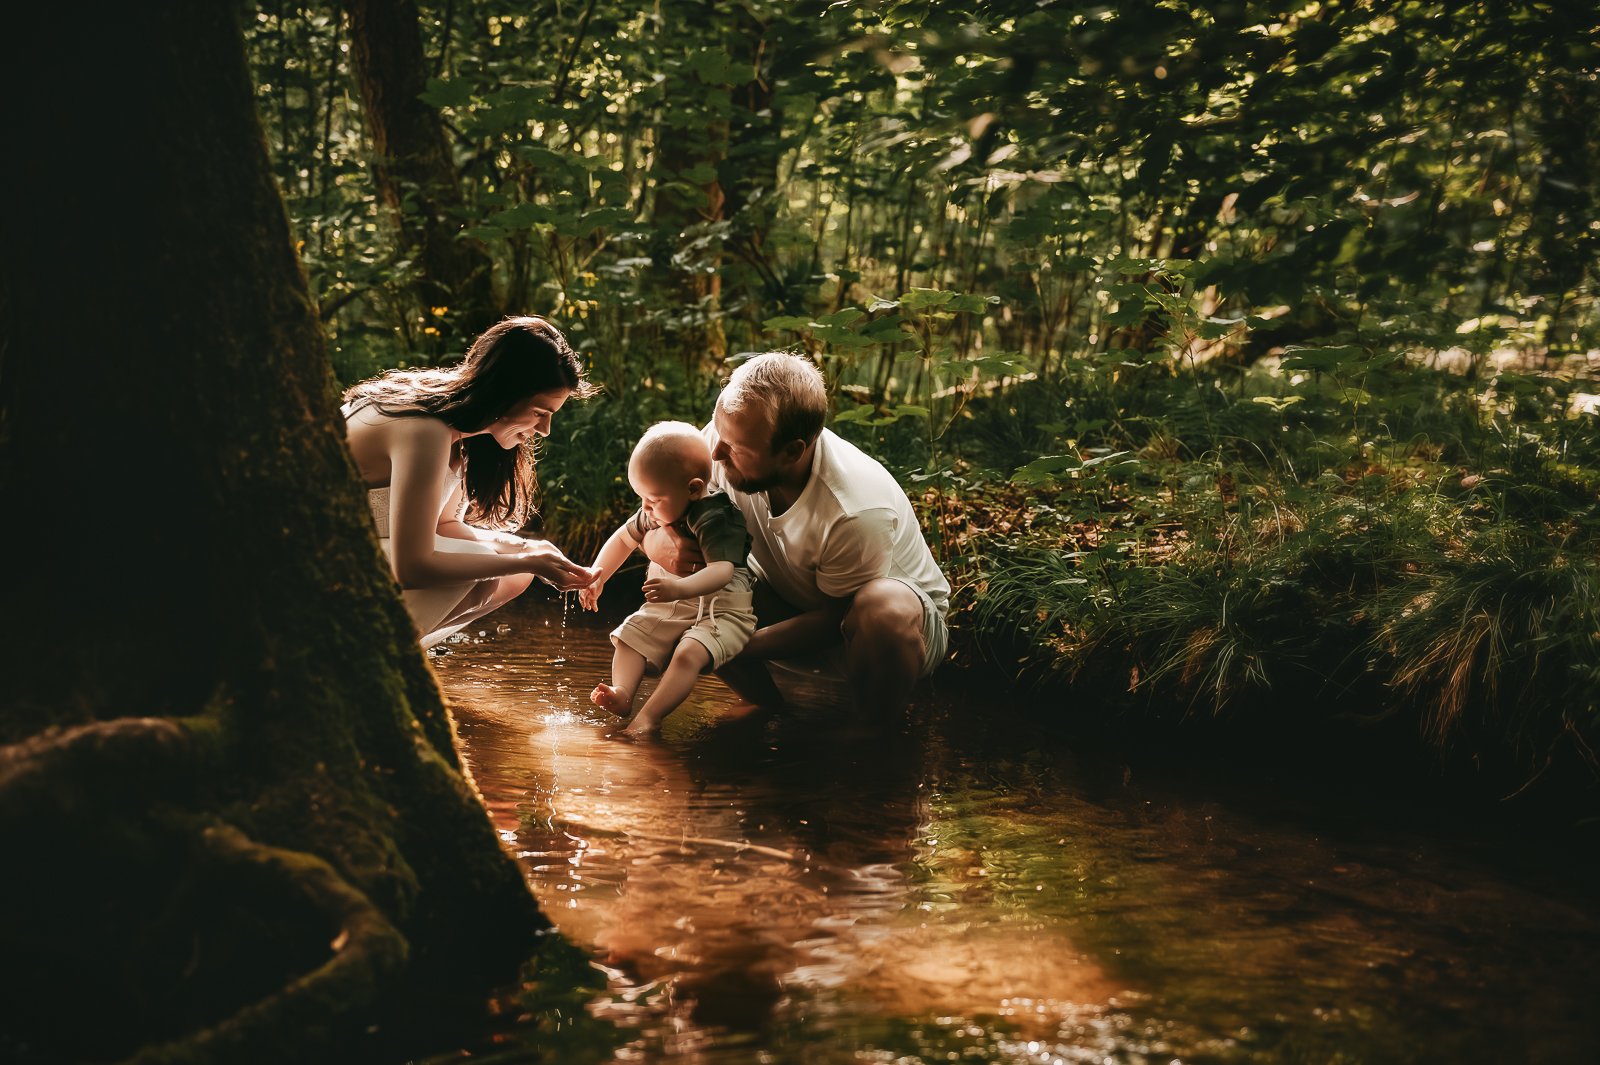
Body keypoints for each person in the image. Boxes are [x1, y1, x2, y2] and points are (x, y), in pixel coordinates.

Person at [643, 352, 949, 715]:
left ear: (792, 451)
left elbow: (834, 620)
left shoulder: (855, 509)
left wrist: (724, 646)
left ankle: (870, 737)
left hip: (880, 634)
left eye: (735, 448)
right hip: (789, 600)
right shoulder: (723, 441)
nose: (714, 452)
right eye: (717, 429)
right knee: (695, 573)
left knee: (882, 608)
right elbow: (651, 522)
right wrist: (664, 545)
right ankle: (773, 715)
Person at [342, 315, 600, 647]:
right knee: (491, 569)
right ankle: (364, 654)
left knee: (516, 574)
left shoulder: (462, 428)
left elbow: (445, 524)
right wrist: (527, 560)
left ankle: (399, 657)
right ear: (505, 391)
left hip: (359, 556)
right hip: (308, 559)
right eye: (540, 412)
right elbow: (413, 567)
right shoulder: (424, 428)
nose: (545, 430)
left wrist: (528, 550)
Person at [578, 422, 757, 737]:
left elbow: (721, 571)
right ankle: (622, 693)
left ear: (693, 488)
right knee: (631, 634)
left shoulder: (715, 517)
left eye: (653, 499)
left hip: (722, 609)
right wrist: (597, 575)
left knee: (689, 652)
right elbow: (623, 538)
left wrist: (678, 587)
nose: (645, 507)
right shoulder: (659, 505)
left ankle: (649, 718)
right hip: (674, 603)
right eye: (641, 498)